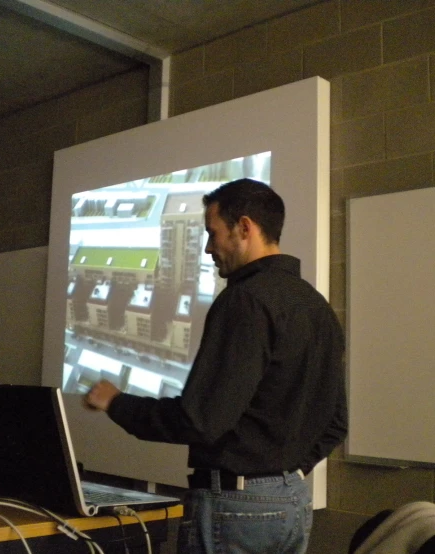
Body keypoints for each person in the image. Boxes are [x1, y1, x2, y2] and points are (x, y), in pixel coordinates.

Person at [84, 178, 347, 554]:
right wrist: (284, 475)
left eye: (212, 233)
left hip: (236, 508)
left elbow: (200, 420)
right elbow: (337, 423)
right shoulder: (317, 307)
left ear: (245, 228)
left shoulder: (244, 301)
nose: (208, 248)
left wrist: (116, 403)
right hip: (292, 504)